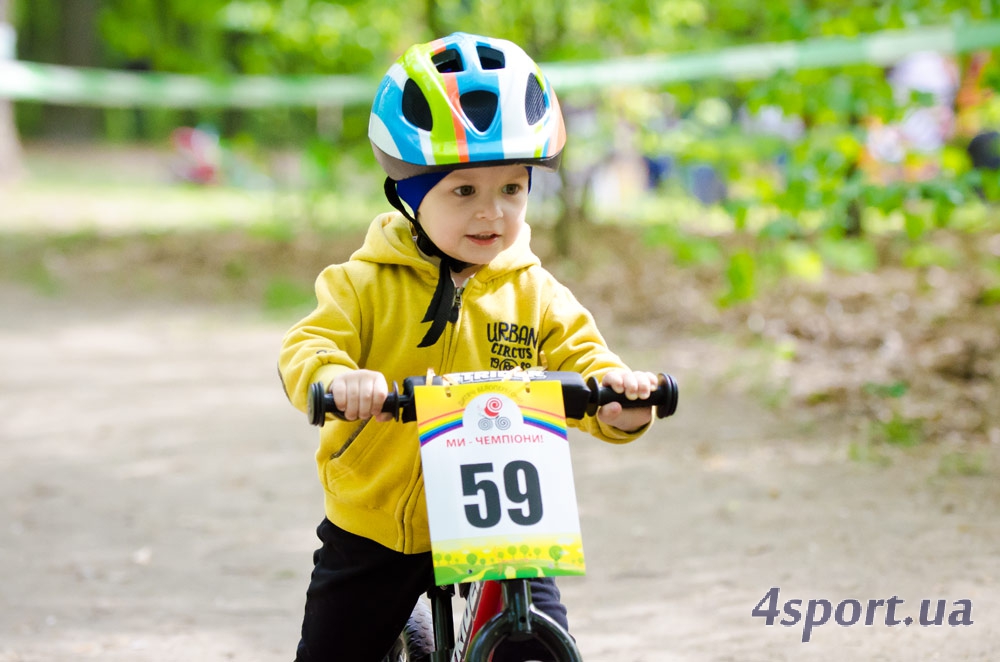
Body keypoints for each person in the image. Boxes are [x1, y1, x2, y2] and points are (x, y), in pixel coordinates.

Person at [278, 32, 660, 661]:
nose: (493, 214)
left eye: (512, 188)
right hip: (379, 523)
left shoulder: (535, 291)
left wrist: (620, 400)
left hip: (505, 527)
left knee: (535, 646)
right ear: (408, 193)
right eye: (464, 191)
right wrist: (338, 377)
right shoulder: (361, 284)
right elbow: (309, 345)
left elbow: (586, 360)